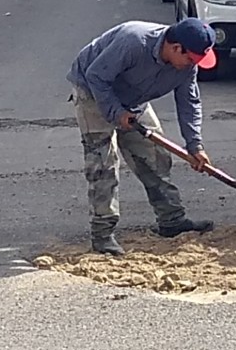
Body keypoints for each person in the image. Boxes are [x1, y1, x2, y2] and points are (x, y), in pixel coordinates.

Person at [66, 18, 218, 256]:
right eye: (190, 59)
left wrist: (194, 144)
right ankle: (103, 235)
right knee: (103, 164)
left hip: (134, 97)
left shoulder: (187, 65)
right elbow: (96, 75)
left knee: (155, 156)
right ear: (176, 47)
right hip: (93, 93)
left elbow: (189, 102)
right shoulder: (133, 41)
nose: (192, 65)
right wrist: (116, 112)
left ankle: (172, 221)